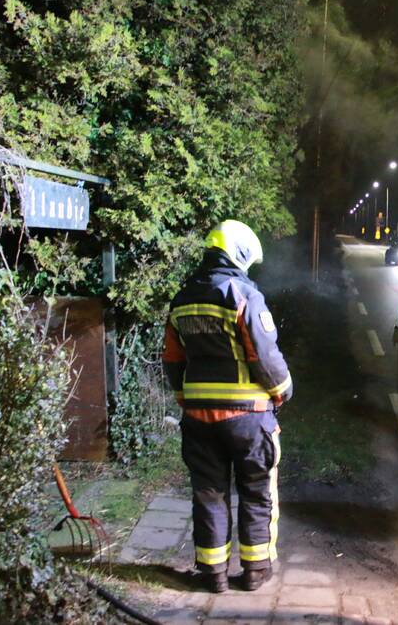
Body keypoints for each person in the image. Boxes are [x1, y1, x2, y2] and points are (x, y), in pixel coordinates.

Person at [162, 220, 293, 593]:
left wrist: (184, 396)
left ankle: (213, 573)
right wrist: (283, 390)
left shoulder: (182, 298)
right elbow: (263, 356)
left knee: (208, 493)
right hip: (248, 418)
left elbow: (173, 358)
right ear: (240, 254)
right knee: (256, 490)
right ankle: (255, 570)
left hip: (199, 418)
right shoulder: (243, 294)